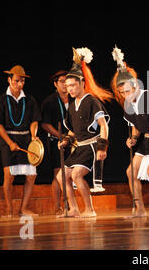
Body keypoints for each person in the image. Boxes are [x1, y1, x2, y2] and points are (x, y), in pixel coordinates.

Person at [110, 45, 149, 218]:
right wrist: (133, 137)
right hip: (146, 141)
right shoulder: (127, 104)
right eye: (121, 92)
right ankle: (140, 210)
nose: (125, 95)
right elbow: (136, 125)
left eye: (128, 91)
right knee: (131, 172)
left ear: (136, 85)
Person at [58, 47, 112, 218]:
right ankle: (73, 208)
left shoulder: (92, 101)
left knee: (76, 174)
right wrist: (66, 139)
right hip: (79, 147)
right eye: (67, 87)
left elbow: (104, 126)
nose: (70, 89)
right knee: (61, 176)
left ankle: (90, 209)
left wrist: (102, 148)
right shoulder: (72, 106)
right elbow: (74, 131)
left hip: (92, 146)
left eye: (73, 85)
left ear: (82, 83)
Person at [0, 65, 41, 217]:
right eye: (16, 81)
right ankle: (9, 209)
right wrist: (9, 143)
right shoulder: (1, 100)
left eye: (22, 81)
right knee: (9, 175)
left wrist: (33, 136)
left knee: (31, 175)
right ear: (9, 80)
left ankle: (23, 208)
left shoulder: (30, 100)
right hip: (8, 139)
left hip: (26, 138)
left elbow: (34, 121)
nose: (19, 84)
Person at [40, 70, 70, 215]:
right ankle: (57, 206)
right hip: (56, 142)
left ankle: (70, 205)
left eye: (67, 81)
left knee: (72, 174)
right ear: (55, 84)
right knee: (59, 175)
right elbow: (45, 124)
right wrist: (61, 136)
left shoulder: (75, 98)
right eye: (62, 81)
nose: (65, 84)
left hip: (73, 141)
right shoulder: (49, 101)